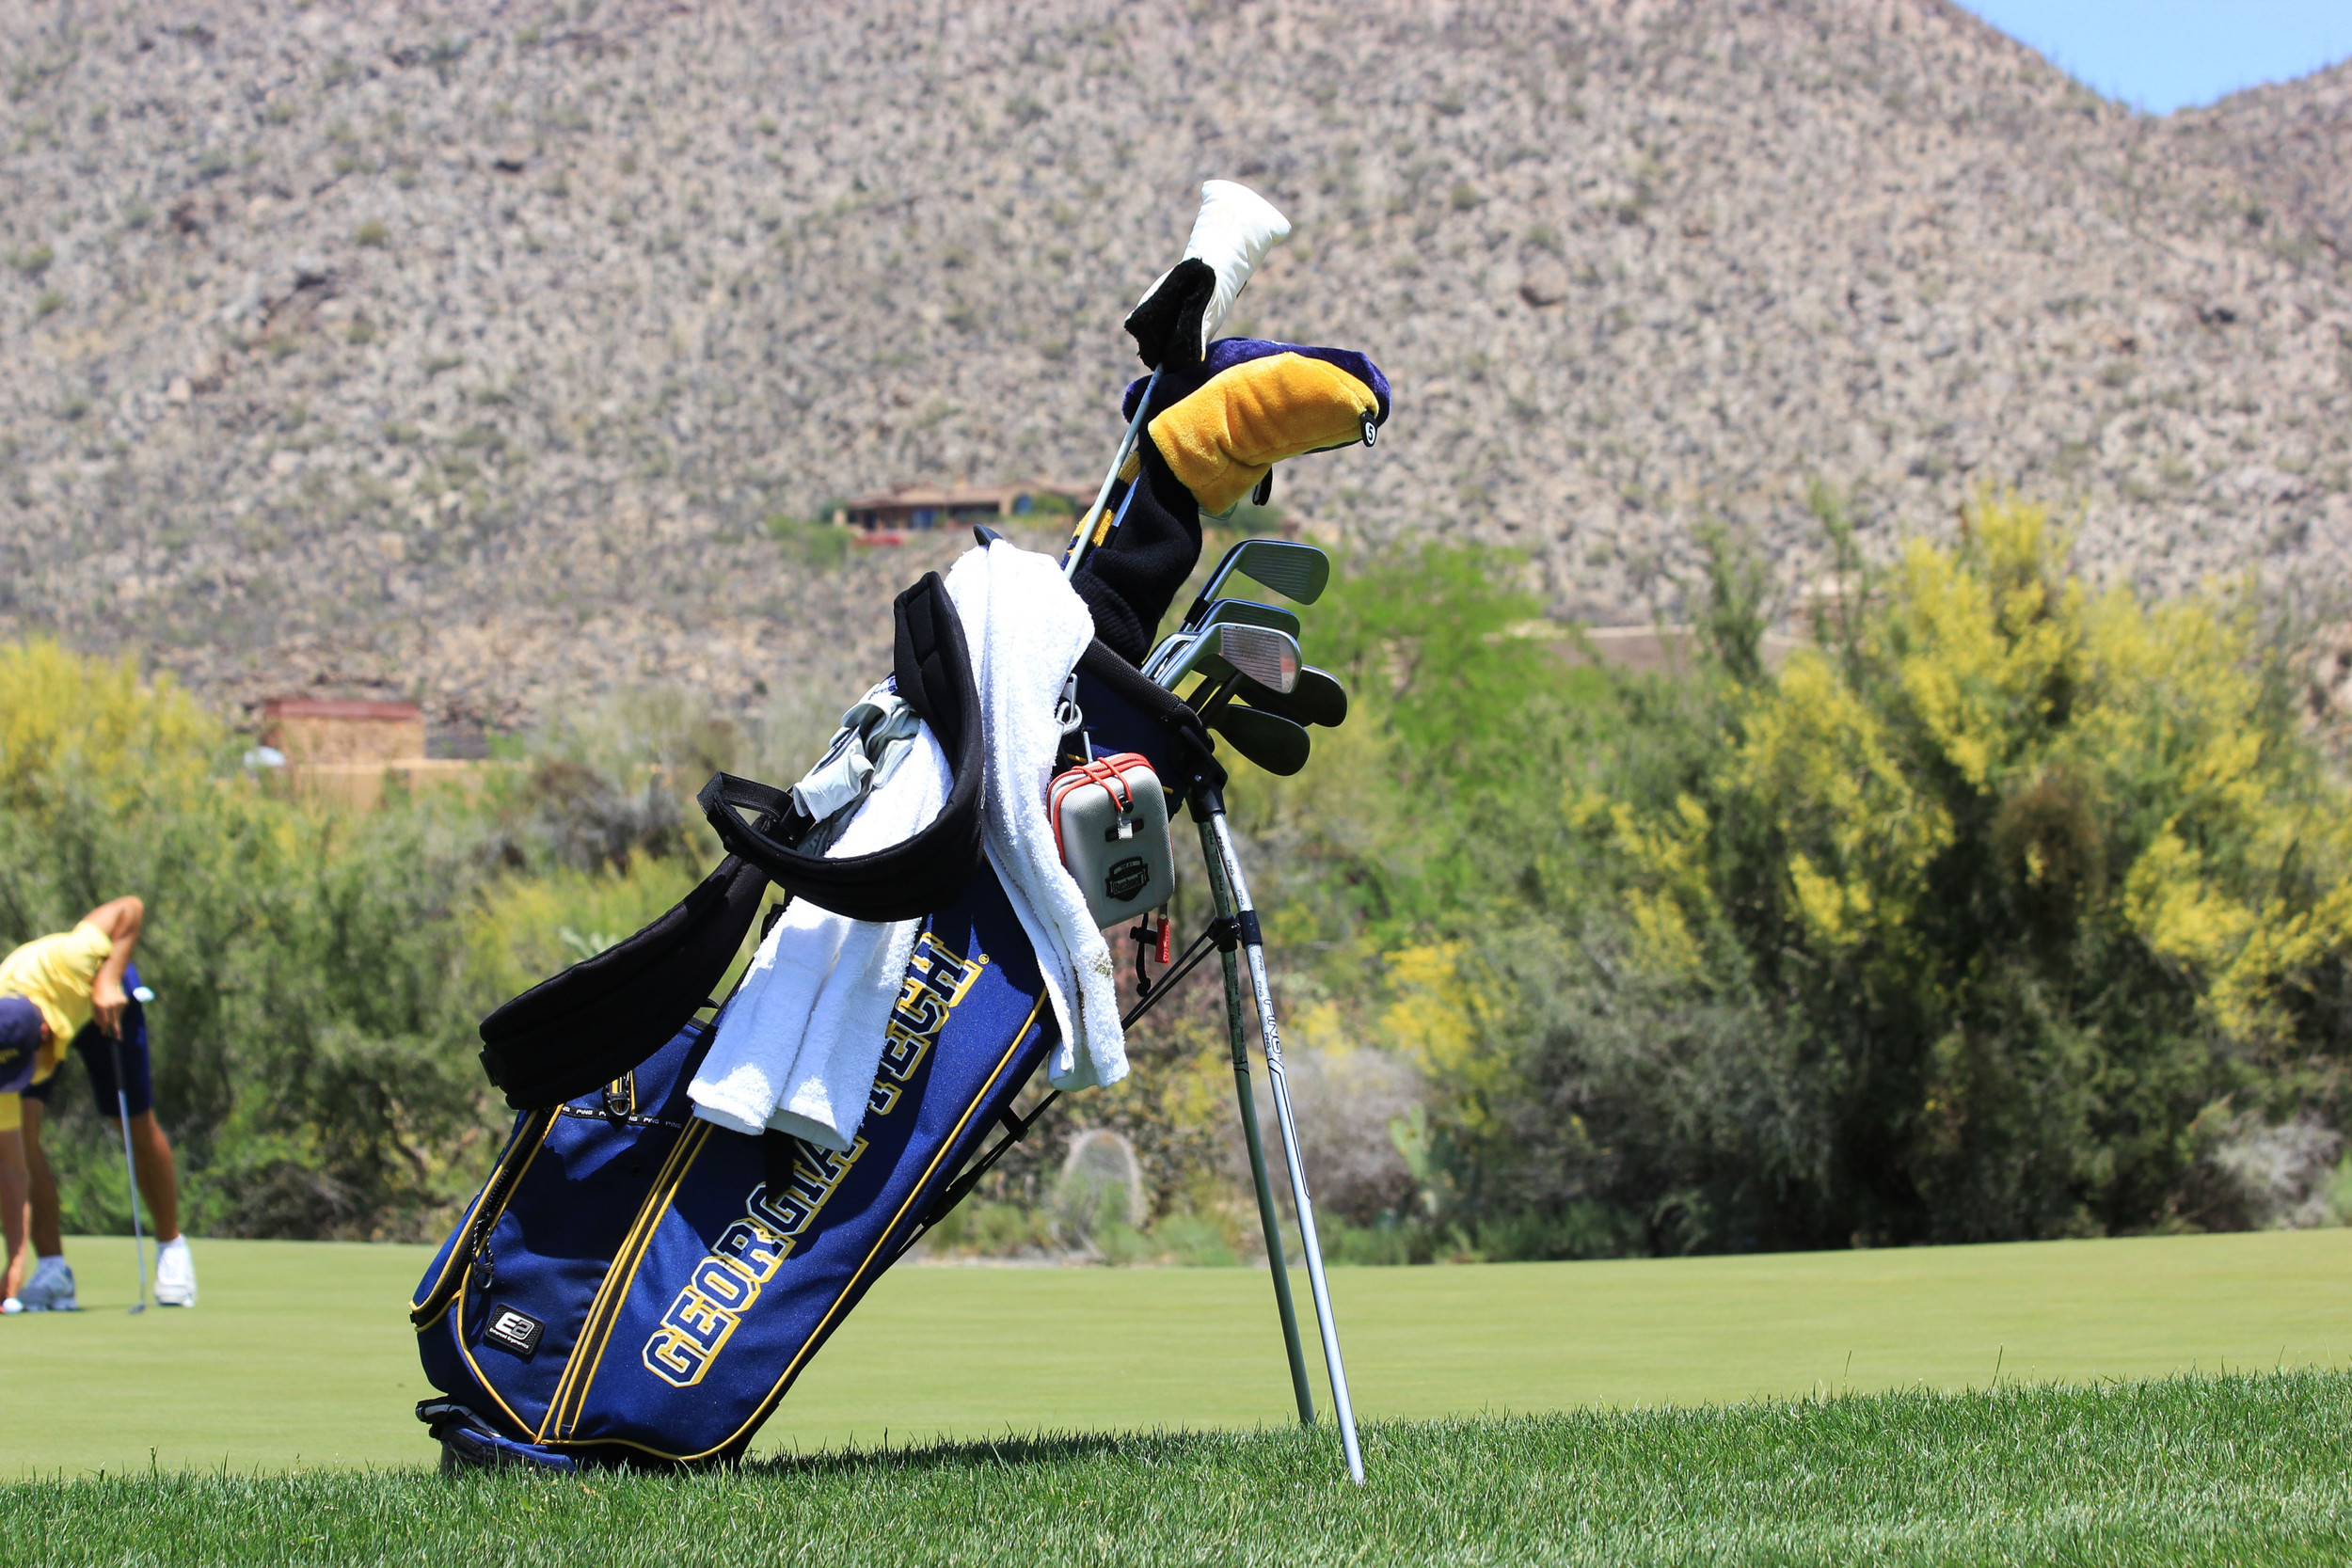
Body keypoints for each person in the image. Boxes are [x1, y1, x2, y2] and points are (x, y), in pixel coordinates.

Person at [0, 898, 196, 1310]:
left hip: (101, 1000)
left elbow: (132, 909)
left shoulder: (68, 960)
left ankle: (171, 1249)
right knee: (26, 1137)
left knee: (134, 1125)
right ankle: (53, 1270)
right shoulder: (6, 1039)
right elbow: (12, 1168)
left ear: (42, 1034)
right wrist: (14, 1261)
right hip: (35, 1029)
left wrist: (107, 979)